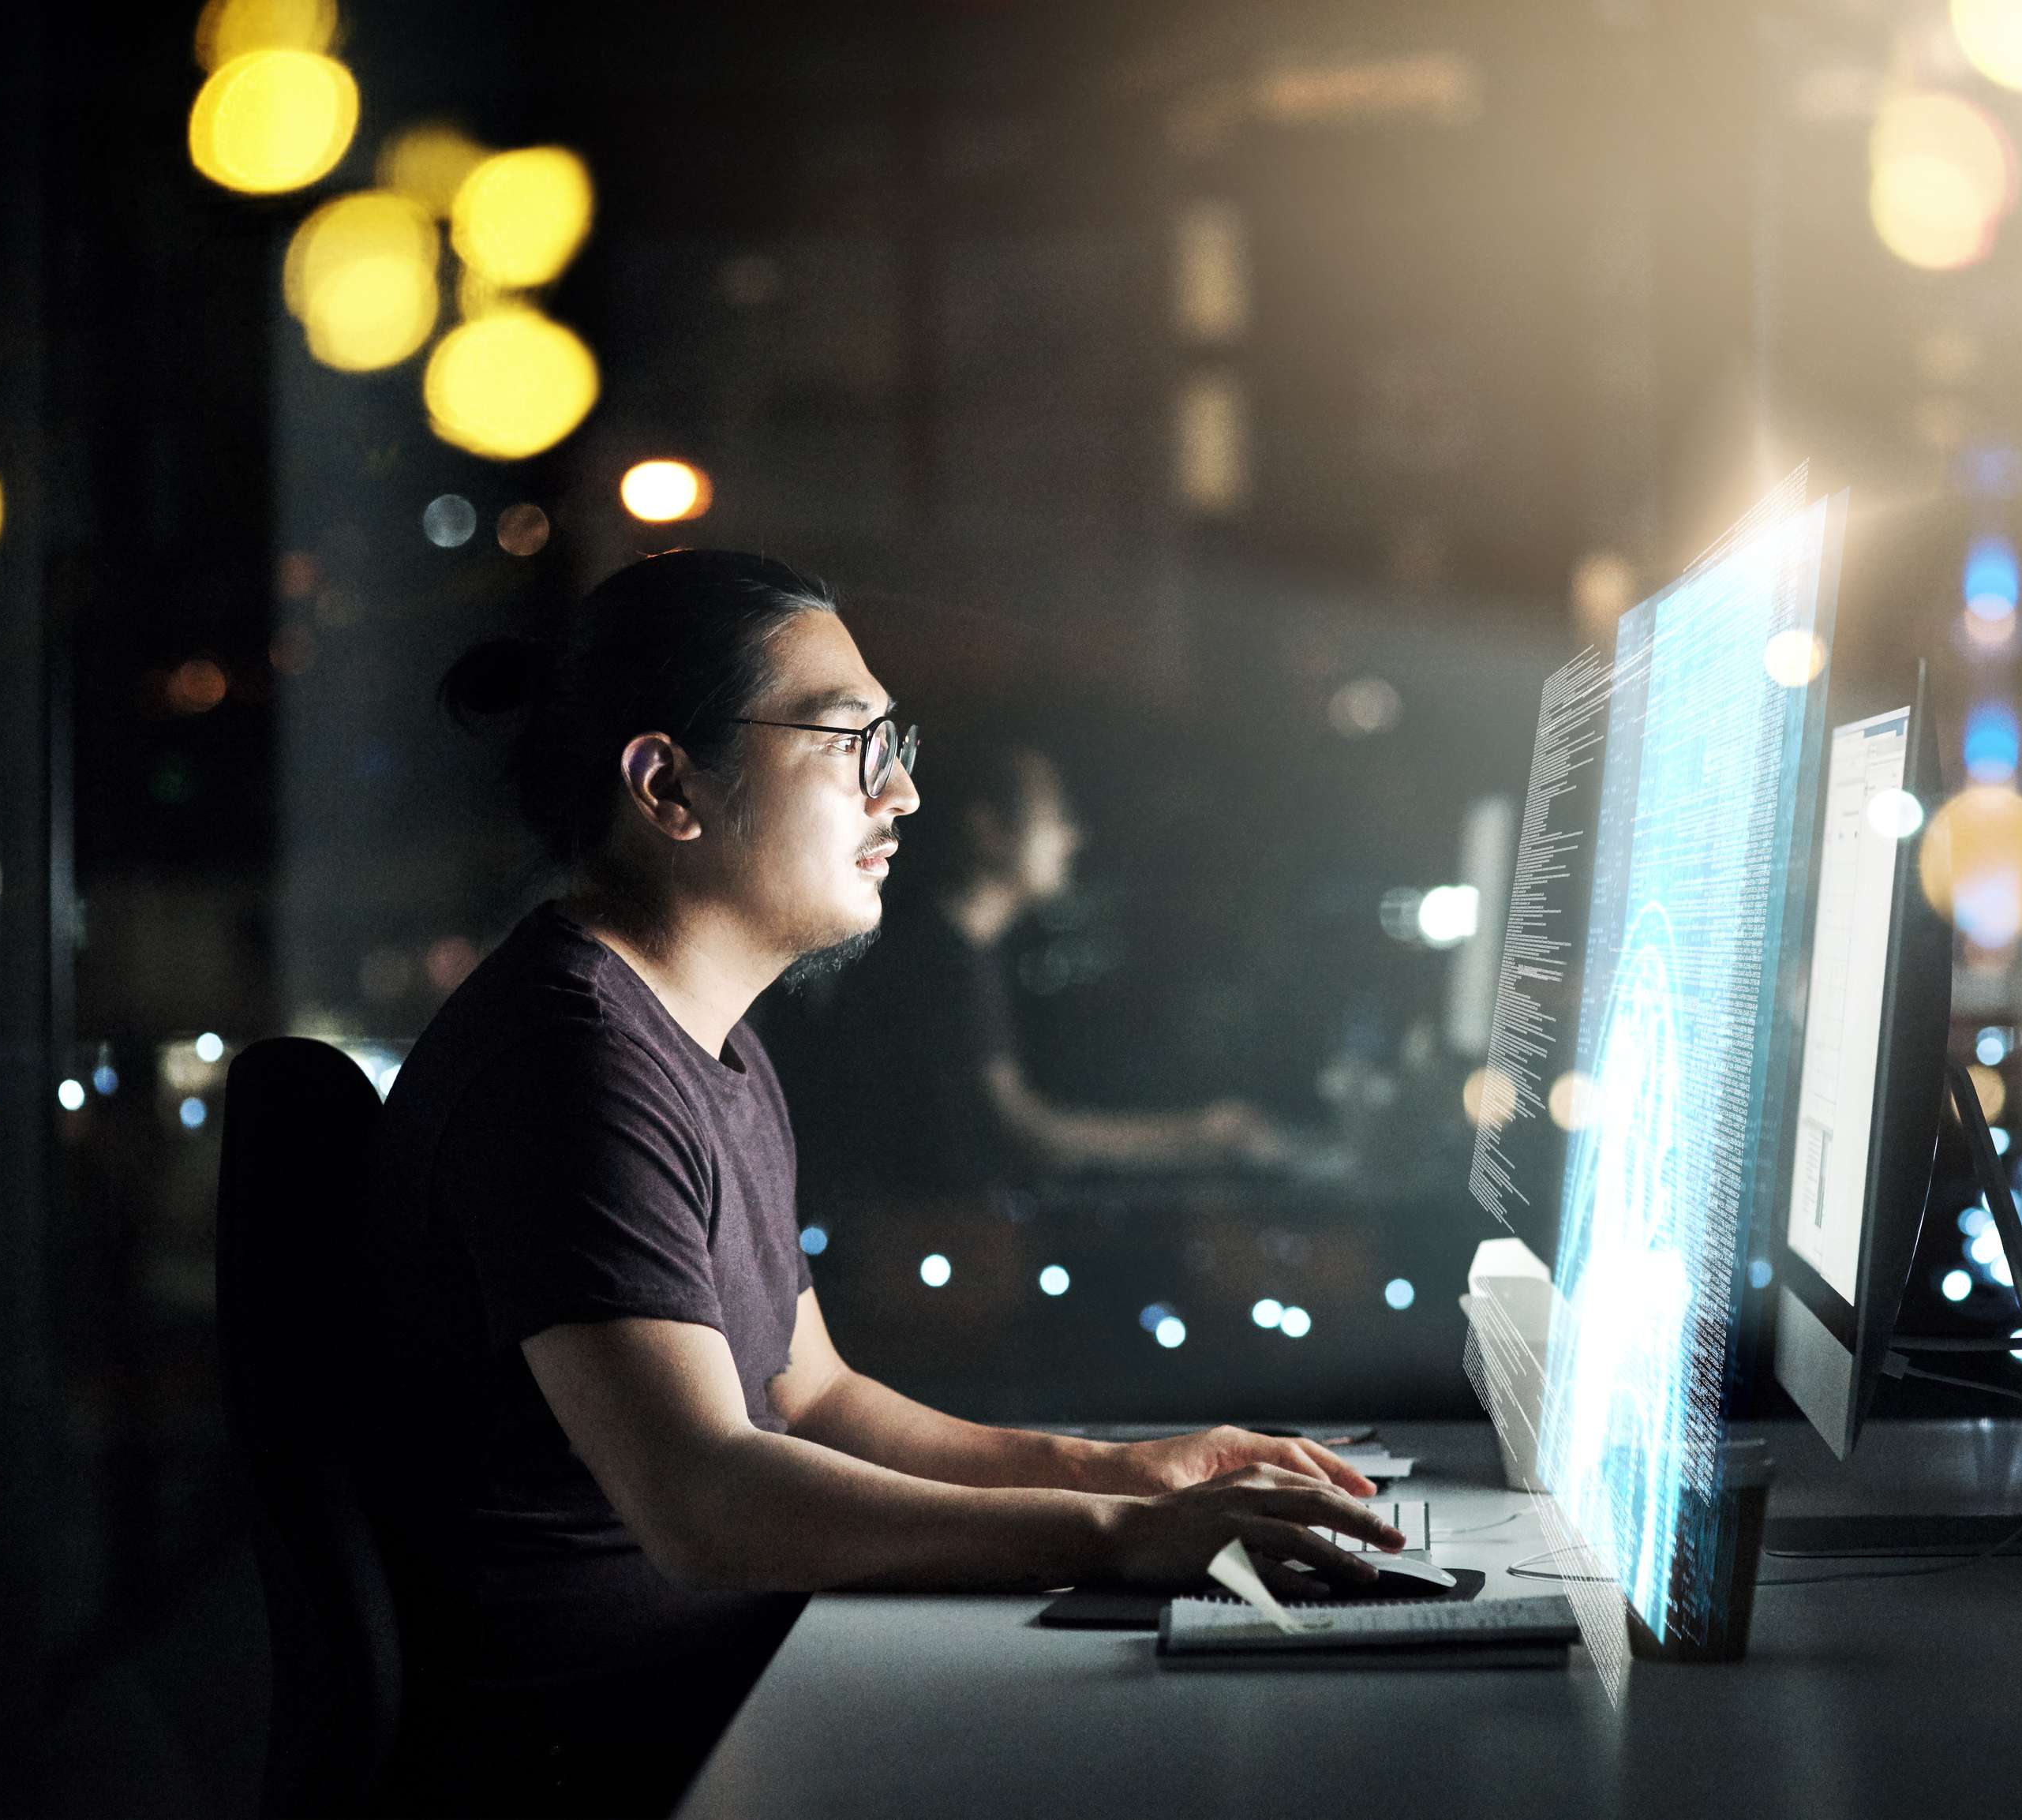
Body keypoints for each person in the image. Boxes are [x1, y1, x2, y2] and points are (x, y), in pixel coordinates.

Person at [363, 550, 1400, 1818]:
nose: (903, 791)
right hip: (612, 1758)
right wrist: (1119, 1541)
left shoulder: (712, 1041)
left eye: (894, 741)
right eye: (853, 740)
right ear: (669, 784)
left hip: (727, 1691)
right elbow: (705, 1500)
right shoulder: (569, 1062)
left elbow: (820, 1397)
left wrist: (1124, 1473)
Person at [805, 741, 1282, 1197]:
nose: (1072, 838)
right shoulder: (940, 961)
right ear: (989, 829)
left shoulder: (960, 949)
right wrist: (1201, 1136)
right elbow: (1024, 1132)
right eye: (1054, 817)